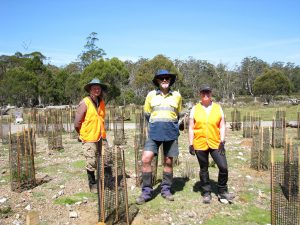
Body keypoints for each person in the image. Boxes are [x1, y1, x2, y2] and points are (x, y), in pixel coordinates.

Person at [136, 69, 182, 204]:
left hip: (171, 134)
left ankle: (166, 189)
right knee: (146, 159)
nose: (164, 80)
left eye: (167, 78)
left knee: (168, 161)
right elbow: (147, 114)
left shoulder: (177, 96)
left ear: (170, 80)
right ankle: (147, 192)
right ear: (157, 81)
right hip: (154, 133)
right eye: (161, 78)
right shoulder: (150, 95)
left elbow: (177, 113)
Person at [188, 84, 234, 204]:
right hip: (200, 143)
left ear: (211, 93)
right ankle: (206, 192)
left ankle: (222, 191)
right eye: (203, 92)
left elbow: (222, 125)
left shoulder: (218, 108)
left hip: (216, 143)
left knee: (223, 167)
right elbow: (191, 127)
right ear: (200, 94)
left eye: (208, 92)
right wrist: (191, 143)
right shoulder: (195, 109)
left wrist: (222, 141)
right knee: (204, 168)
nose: (206, 95)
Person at [74, 78, 107, 193]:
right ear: (90, 90)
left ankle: (102, 181)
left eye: (98, 88)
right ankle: (92, 184)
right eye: (94, 88)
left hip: (101, 136)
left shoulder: (101, 102)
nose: (97, 90)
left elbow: (101, 119)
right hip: (89, 137)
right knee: (91, 161)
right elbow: (77, 122)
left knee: (103, 158)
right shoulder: (85, 102)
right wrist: (81, 133)